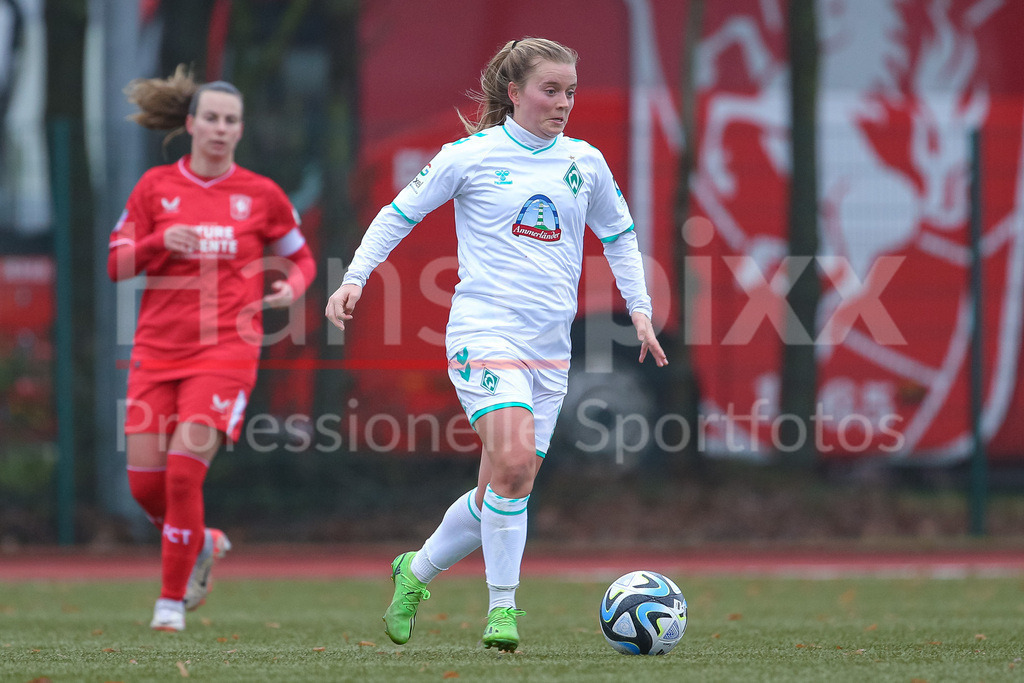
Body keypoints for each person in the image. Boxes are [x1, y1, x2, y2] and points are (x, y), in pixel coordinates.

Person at [326, 36, 667, 651]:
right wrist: (354, 279)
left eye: (570, 91)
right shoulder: (471, 155)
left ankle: (416, 571)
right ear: (514, 93)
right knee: (512, 465)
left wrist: (639, 311)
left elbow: (619, 236)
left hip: (550, 348)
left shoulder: (584, 162)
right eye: (550, 90)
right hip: (484, 332)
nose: (563, 103)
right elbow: (397, 214)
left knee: (503, 489)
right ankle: (503, 611)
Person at [109, 65, 317, 632]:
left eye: (231, 120)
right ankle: (201, 543)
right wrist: (156, 242)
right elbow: (115, 264)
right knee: (144, 485)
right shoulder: (155, 188)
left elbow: (301, 259)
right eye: (212, 118)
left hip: (227, 351)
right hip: (156, 350)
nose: (221, 129)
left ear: (240, 130)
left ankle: (170, 603)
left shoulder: (261, 194)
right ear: (191, 123)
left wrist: (290, 289)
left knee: (182, 476)